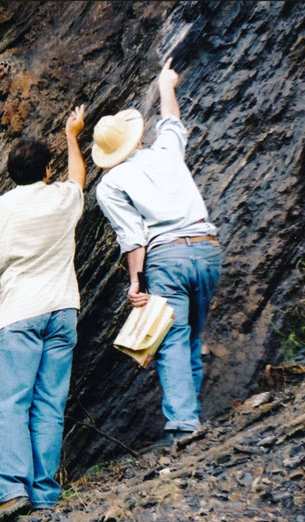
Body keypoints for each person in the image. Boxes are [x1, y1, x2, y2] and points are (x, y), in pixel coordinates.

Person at [0, 105, 88, 522]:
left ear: (10, 173)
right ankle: (43, 493)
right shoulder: (62, 197)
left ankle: (10, 490)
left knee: (13, 405)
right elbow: (79, 177)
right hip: (63, 311)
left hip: (19, 315)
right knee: (50, 404)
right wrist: (73, 133)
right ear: (47, 171)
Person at [93, 58, 220, 450]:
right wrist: (167, 84)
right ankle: (190, 417)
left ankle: (184, 425)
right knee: (193, 336)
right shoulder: (165, 152)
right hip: (207, 250)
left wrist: (135, 282)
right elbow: (171, 121)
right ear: (135, 137)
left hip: (166, 260)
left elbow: (134, 238)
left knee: (172, 341)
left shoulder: (110, 184)